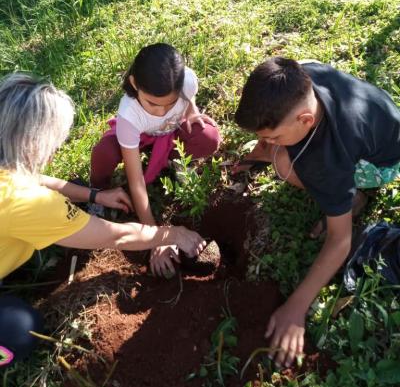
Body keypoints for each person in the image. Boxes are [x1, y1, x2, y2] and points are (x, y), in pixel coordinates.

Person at [0, 73, 206, 364]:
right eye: (55, 142)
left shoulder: (8, 166)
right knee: (22, 332)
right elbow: (115, 236)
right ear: (32, 143)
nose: (56, 149)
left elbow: (33, 177)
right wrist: (171, 234)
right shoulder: (27, 202)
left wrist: (95, 195)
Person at [234, 57, 400, 368]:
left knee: (284, 163)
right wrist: (264, 147)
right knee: (280, 153)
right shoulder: (303, 73)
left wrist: (297, 307)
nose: (267, 143)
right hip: (380, 117)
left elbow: (340, 241)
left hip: (384, 162)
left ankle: (355, 198)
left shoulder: (327, 160)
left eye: (273, 136)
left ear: (306, 120)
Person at [91, 43, 220, 277]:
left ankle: (174, 160)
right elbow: (136, 181)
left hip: (170, 134)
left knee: (207, 136)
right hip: (139, 138)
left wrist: (191, 111)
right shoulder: (129, 114)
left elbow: (189, 98)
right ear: (134, 83)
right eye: (152, 104)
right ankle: (96, 192)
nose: (160, 112)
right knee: (104, 152)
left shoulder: (186, 81)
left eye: (169, 104)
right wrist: (154, 236)